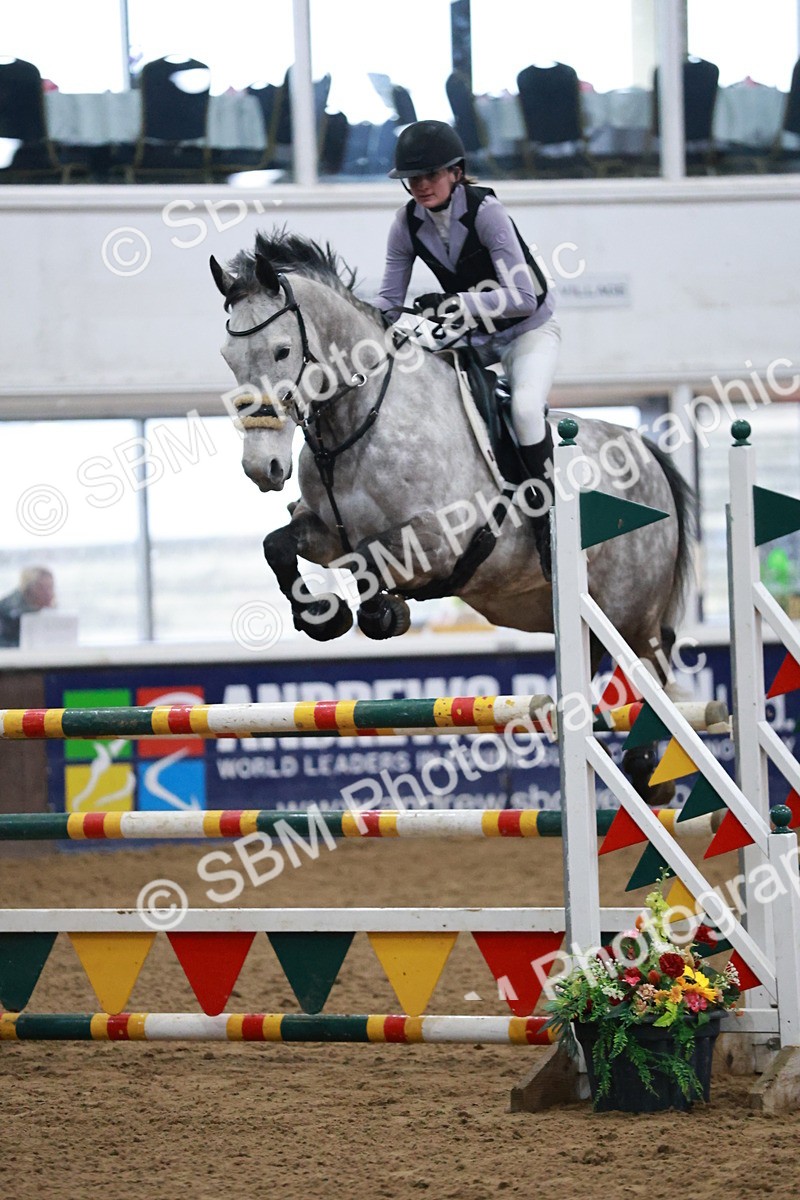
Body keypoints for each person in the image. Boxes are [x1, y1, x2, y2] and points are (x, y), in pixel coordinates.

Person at [375, 119, 561, 577]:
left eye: (430, 176)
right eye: (412, 179)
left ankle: (551, 517)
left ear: (456, 172)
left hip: (526, 332)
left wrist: (456, 303)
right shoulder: (406, 224)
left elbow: (523, 297)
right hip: (474, 339)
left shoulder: (487, 212)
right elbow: (388, 302)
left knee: (523, 410)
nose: (420, 186)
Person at [0, 567, 55, 648]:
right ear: (29, 589)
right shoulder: (8, 613)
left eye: (50, 587)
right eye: (42, 588)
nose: (49, 593)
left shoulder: (49, 611)